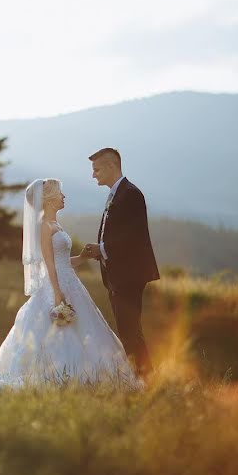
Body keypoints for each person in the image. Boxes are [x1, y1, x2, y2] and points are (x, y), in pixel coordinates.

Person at [0, 178, 141, 392]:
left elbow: (62, 261)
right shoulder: (44, 226)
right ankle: (60, 374)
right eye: (60, 193)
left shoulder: (56, 225)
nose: (64, 196)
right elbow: (48, 264)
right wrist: (56, 292)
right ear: (50, 199)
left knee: (85, 326)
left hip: (70, 281)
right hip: (56, 284)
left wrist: (81, 258)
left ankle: (91, 374)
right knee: (55, 330)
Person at [83, 148, 159, 378]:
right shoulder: (117, 193)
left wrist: (102, 249)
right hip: (118, 273)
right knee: (127, 330)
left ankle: (144, 379)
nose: (94, 175)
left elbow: (132, 238)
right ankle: (141, 377)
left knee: (130, 331)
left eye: (96, 170)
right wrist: (100, 252)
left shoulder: (131, 194)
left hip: (129, 275)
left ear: (110, 166)